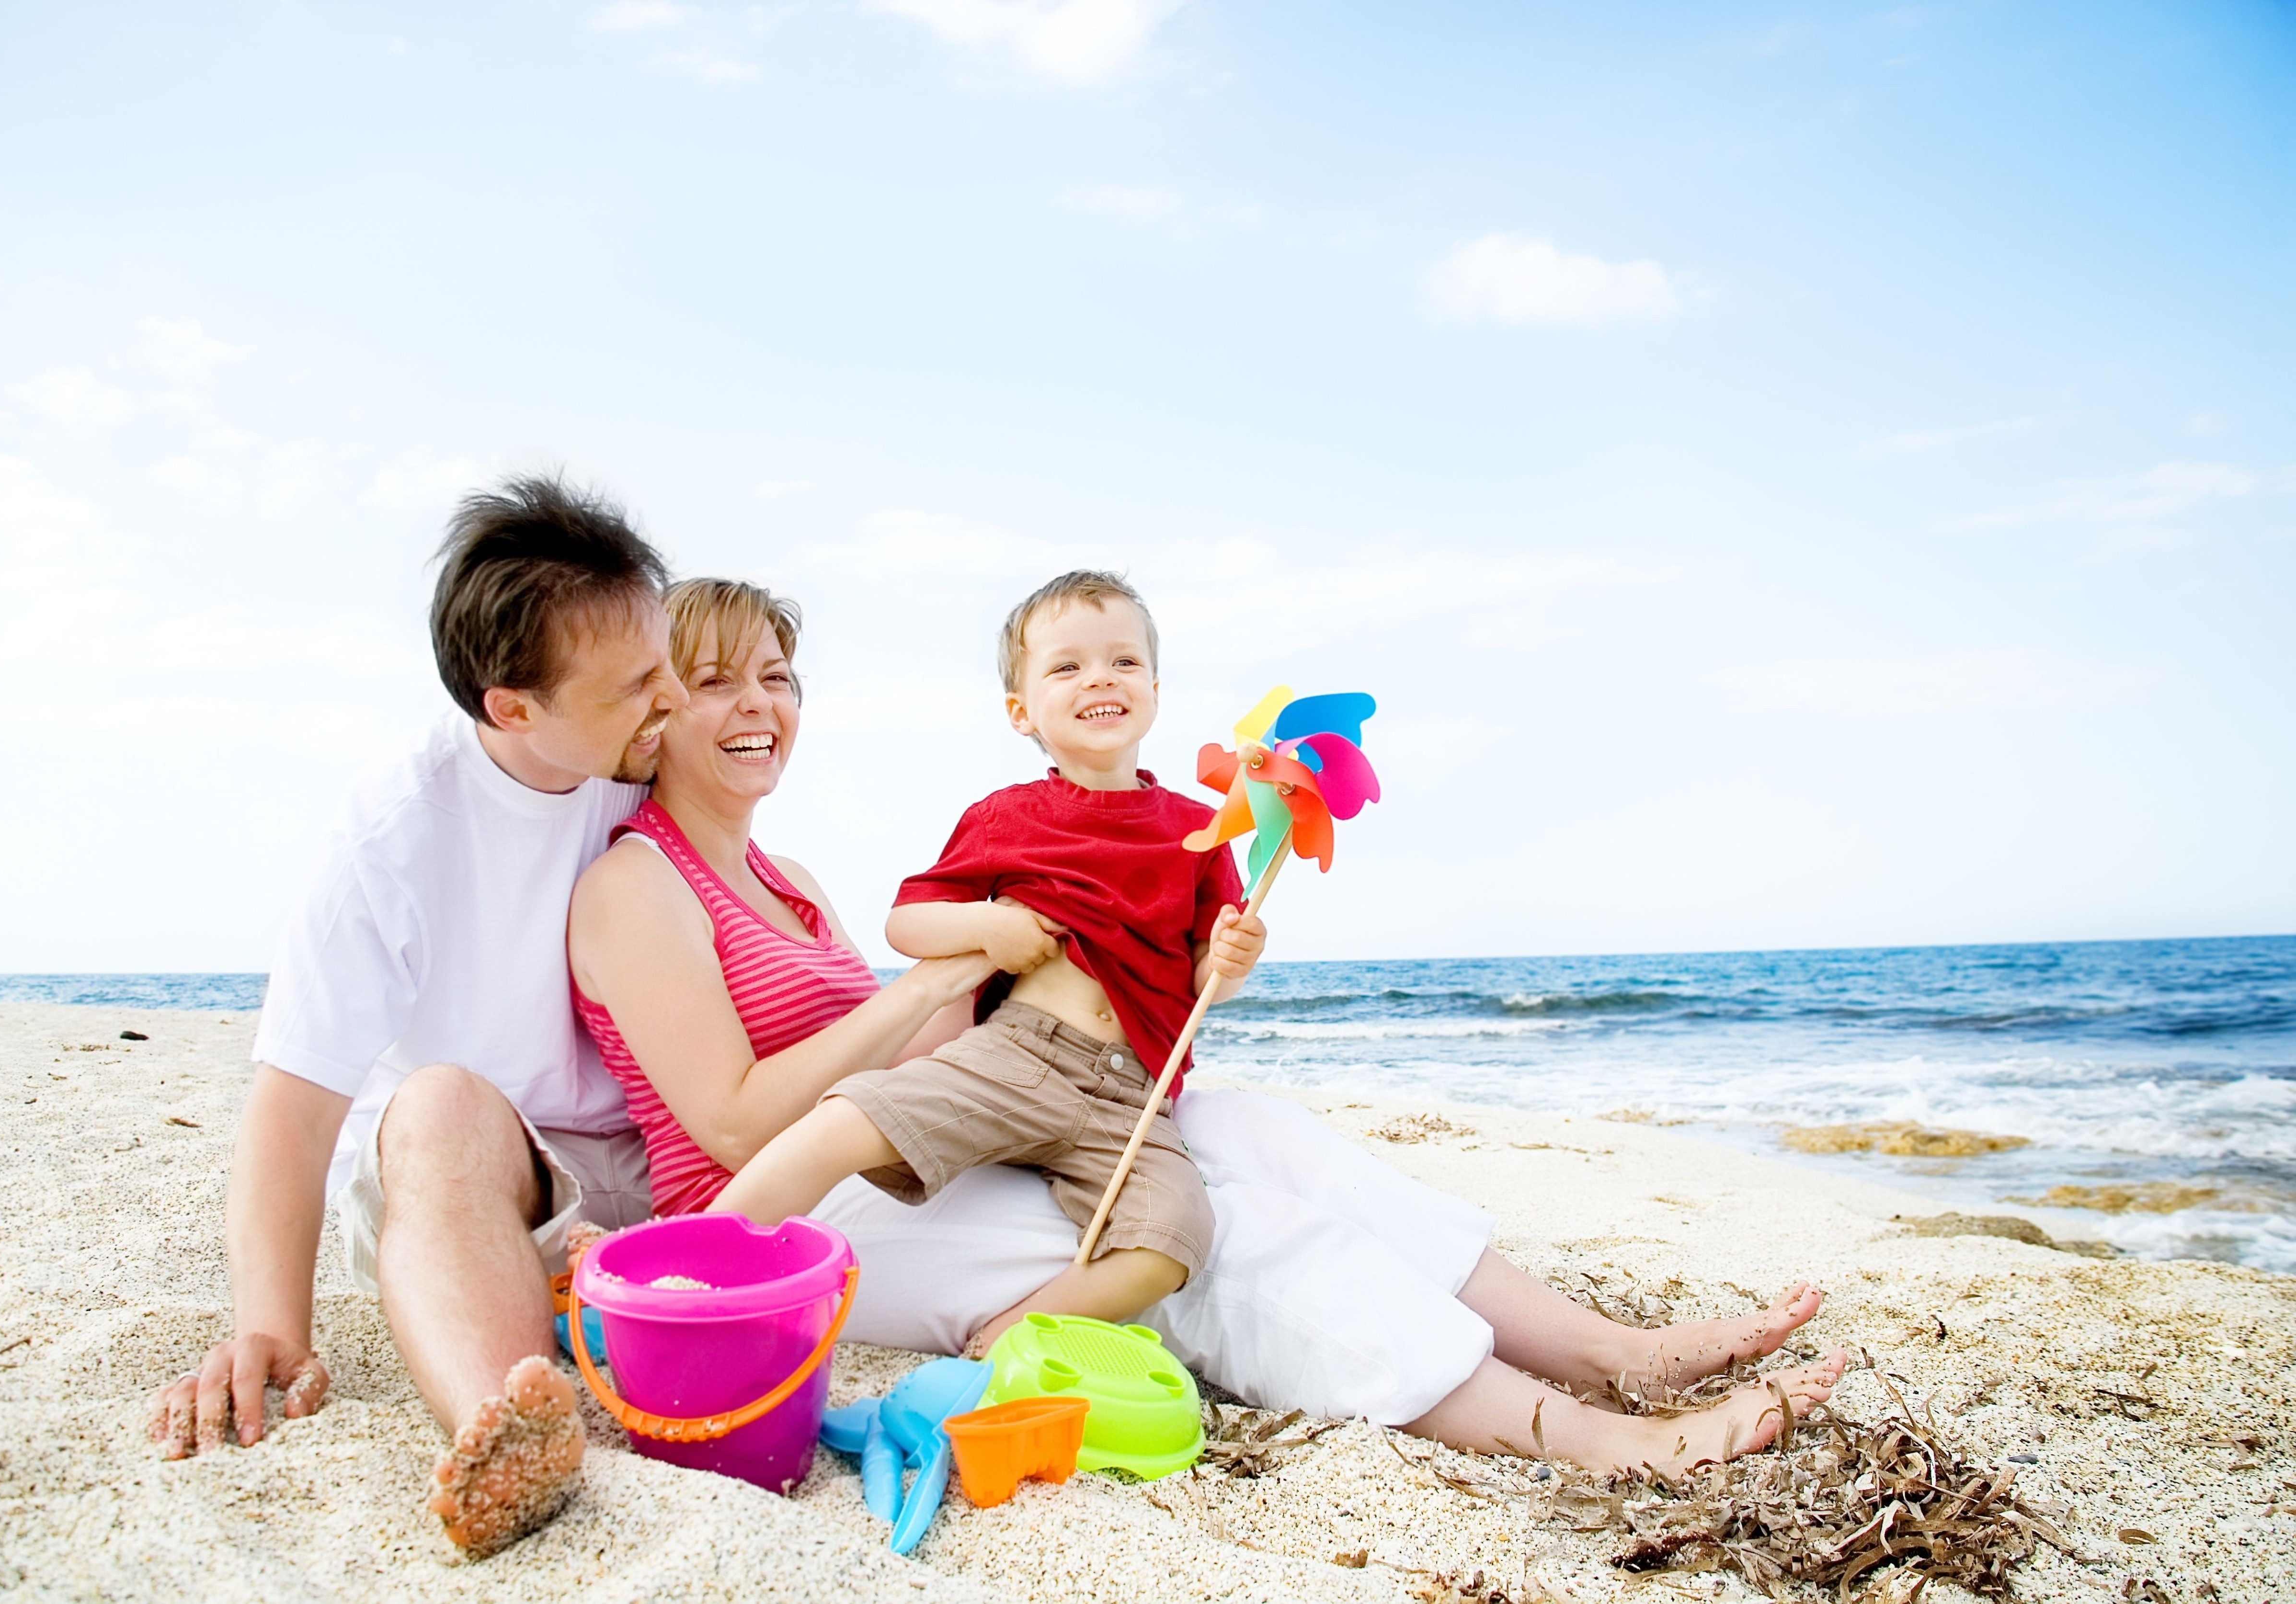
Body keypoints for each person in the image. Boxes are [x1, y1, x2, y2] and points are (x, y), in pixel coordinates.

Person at [570, 570, 1849, 1477]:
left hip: (1011, 1106)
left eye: (780, 676)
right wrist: (934, 987)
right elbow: (742, 1115)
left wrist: (1048, 1011)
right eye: (714, 678)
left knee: (1259, 1131)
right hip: (778, 1231)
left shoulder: (786, 880)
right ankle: (1591, 1435)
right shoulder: (640, 879)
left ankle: (1607, 1347)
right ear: (651, 706)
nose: (758, 703)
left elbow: (943, 1023)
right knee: (1232, 1234)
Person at [148, 476, 688, 1561]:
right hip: (477, 1178)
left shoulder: (648, 761)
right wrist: (270, 1328)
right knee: (435, 1098)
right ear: (512, 706)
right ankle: (513, 1425)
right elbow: (294, 1109)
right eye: (634, 685)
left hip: (656, 1160)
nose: (670, 697)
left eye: (666, 659)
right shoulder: (398, 828)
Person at [702, 572, 1263, 1345]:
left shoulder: (1202, 830)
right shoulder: (1007, 816)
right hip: (1018, 1054)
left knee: (1174, 1234)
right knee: (845, 1121)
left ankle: (998, 1343)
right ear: (1021, 711)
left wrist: (1232, 960)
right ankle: (686, 1267)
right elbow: (910, 923)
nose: (1101, 677)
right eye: (1067, 666)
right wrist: (989, 928)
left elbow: (1207, 979)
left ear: (1156, 689)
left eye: (1124, 662)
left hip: (1134, 1093)